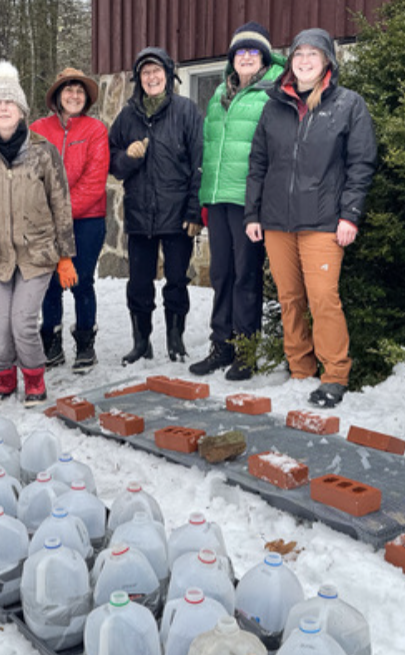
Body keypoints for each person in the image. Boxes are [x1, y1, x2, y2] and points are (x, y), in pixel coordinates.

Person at [245, 29, 377, 408]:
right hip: (276, 222)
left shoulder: (348, 104)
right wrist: (253, 213)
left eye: (313, 55)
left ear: (327, 63)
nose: (304, 61)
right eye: (299, 54)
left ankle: (334, 374)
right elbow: (258, 163)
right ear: (290, 62)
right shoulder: (274, 106)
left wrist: (350, 215)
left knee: (323, 299)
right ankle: (300, 369)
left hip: (323, 221)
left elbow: (361, 163)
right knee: (289, 299)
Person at [0, 62, 76, 406]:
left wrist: (65, 255)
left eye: (10, 103)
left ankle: (35, 379)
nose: (4, 108)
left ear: (21, 110)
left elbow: (60, 203)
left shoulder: (43, 151)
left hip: (37, 253)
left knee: (23, 322)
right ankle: (5, 379)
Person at [191, 22, 286, 381]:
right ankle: (222, 346)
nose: (245, 58)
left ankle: (246, 351)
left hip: (248, 201)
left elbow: (272, 152)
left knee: (246, 276)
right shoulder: (219, 94)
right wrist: (204, 197)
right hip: (218, 199)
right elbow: (210, 147)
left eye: (252, 51)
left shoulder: (272, 92)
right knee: (221, 274)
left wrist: (260, 204)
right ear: (232, 59)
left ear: (262, 56)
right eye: (239, 52)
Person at [109, 47, 203, 365]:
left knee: (177, 281)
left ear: (168, 74)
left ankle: (175, 341)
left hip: (177, 216)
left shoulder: (187, 111)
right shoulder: (127, 117)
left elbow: (199, 164)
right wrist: (127, 157)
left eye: (156, 71)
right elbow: (113, 163)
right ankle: (141, 342)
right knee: (138, 284)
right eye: (146, 72)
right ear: (139, 79)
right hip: (139, 215)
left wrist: (194, 211)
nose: (151, 77)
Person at [30, 68, 109, 374]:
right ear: (57, 96)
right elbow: (29, 174)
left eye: (79, 90)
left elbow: (94, 180)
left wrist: (60, 212)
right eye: (68, 90)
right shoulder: (37, 129)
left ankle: (86, 342)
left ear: (86, 97)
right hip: (45, 221)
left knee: (81, 280)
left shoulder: (95, 130)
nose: (73, 95)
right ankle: (51, 340)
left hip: (87, 219)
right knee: (49, 282)